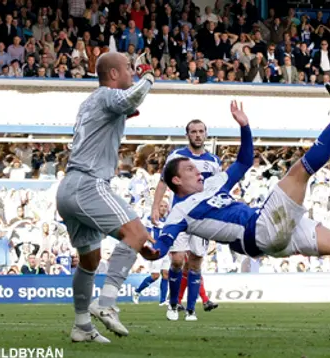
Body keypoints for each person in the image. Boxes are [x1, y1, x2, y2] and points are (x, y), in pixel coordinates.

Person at [150, 99, 330, 329]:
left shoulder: (214, 184)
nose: (197, 171)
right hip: (259, 230)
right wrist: (142, 243)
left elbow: (245, 161)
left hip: (268, 234)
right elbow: (161, 247)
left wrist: (245, 127)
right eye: (190, 169)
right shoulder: (180, 211)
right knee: (299, 171)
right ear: (176, 179)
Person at [56, 52, 158, 343]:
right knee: (137, 232)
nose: (132, 72)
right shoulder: (107, 95)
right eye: (128, 68)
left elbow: (128, 108)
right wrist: (149, 74)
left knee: (90, 261)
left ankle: (81, 326)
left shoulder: (90, 101)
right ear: (113, 74)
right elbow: (132, 99)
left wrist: (134, 244)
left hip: (68, 188)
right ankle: (107, 303)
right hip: (89, 183)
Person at [151, 119, 220, 321]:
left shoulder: (213, 161)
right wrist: (156, 206)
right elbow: (163, 181)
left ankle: (191, 310)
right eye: (193, 131)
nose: (197, 135)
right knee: (178, 260)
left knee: (196, 263)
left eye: (201, 131)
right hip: (180, 214)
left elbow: (217, 189)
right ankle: (173, 305)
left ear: (206, 134)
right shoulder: (177, 156)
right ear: (187, 134)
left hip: (202, 217)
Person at [133, 198, 171, 306]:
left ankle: (163, 301)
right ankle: (137, 291)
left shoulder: (168, 220)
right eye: (161, 206)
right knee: (155, 276)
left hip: (167, 250)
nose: (163, 208)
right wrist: (155, 243)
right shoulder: (151, 218)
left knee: (166, 274)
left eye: (165, 206)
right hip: (156, 250)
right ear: (157, 207)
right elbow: (146, 233)